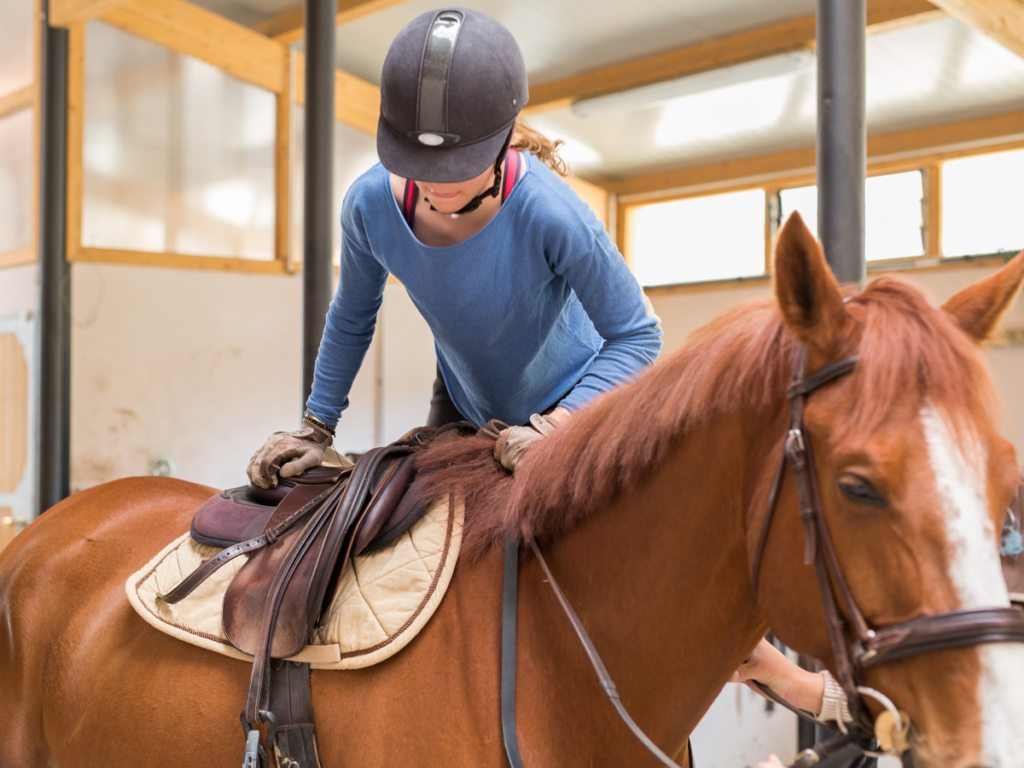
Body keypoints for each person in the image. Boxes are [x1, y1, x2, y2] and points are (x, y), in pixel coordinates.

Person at [248, 7, 662, 488]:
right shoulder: (368, 205)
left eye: (458, 164)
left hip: (578, 398)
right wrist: (316, 427)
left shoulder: (550, 211)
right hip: (464, 394)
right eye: (418, 160)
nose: (437, 183)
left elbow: (637, 336)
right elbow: (351, 316)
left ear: (503, 137)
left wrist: (559, 425)